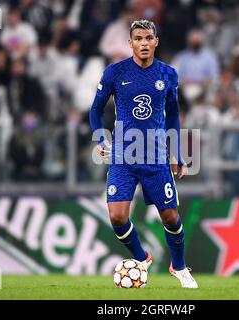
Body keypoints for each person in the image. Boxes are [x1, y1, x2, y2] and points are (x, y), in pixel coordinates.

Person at [89, 20, 197, 289]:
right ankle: (142, 258)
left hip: (156, 157)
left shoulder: (168, 74)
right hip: (123, 158)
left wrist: (177, 153)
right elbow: (95, 110)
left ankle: (180, 267)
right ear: (131, 43)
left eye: (149, 37)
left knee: (171, 217)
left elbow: (172, 114)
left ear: (156, 41)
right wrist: (100, 136)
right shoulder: (115, 72)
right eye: (138, 38)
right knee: (116, 216)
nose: (144, 43)